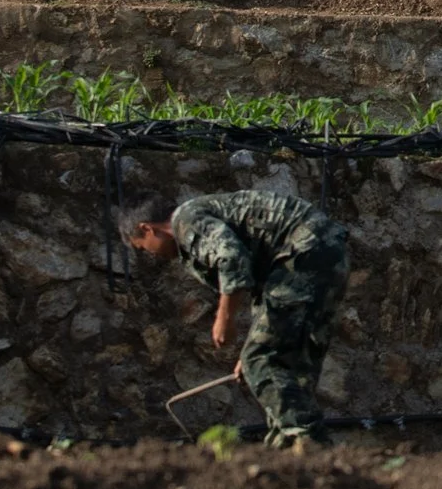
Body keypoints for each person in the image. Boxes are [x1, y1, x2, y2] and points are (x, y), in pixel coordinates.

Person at [126, 189, 351, 448]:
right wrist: (249, 350)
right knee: (287, 358)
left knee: (262, 358)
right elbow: (265, 297)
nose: (150, 254)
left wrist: (225, 319)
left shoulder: (186, 221)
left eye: (142, 247)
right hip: (324, 251)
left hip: (304, 252)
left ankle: (308, 441)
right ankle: (288, 446)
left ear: (147, 228)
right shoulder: (197, 216)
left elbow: (232, 258)